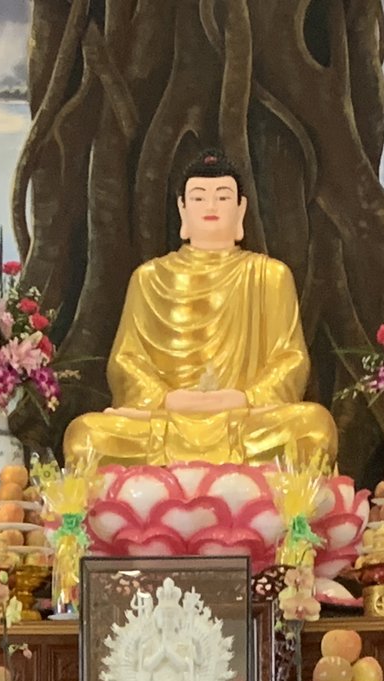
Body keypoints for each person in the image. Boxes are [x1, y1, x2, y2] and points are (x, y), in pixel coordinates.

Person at [62, 152, 338, 469]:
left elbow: (291, 359)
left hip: (244, 418)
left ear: (241, 209)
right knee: (84, 436)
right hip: (167, 419)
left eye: (223, 197)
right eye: (198, 197)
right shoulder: (149, 277)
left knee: (314, 428)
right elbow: (125, 361)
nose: (210, 206)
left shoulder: (269, 275)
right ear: (183, 209)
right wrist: (166, 399)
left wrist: (244, 398)